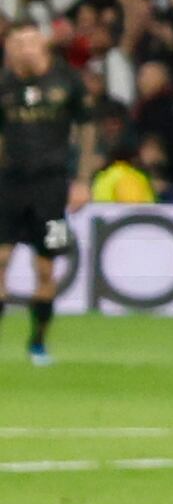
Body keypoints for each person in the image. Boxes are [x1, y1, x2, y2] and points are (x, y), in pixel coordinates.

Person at [1, 23, 92, 363]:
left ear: (42, 45)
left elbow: (86, 127)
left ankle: (38, 342)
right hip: (8, 183)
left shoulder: (67, 81)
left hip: (50, 186)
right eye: (15, 42)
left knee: (45, 269)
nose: (21, 48)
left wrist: (82, 179)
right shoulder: (4, 83)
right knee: (1, 260)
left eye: (27, 41)